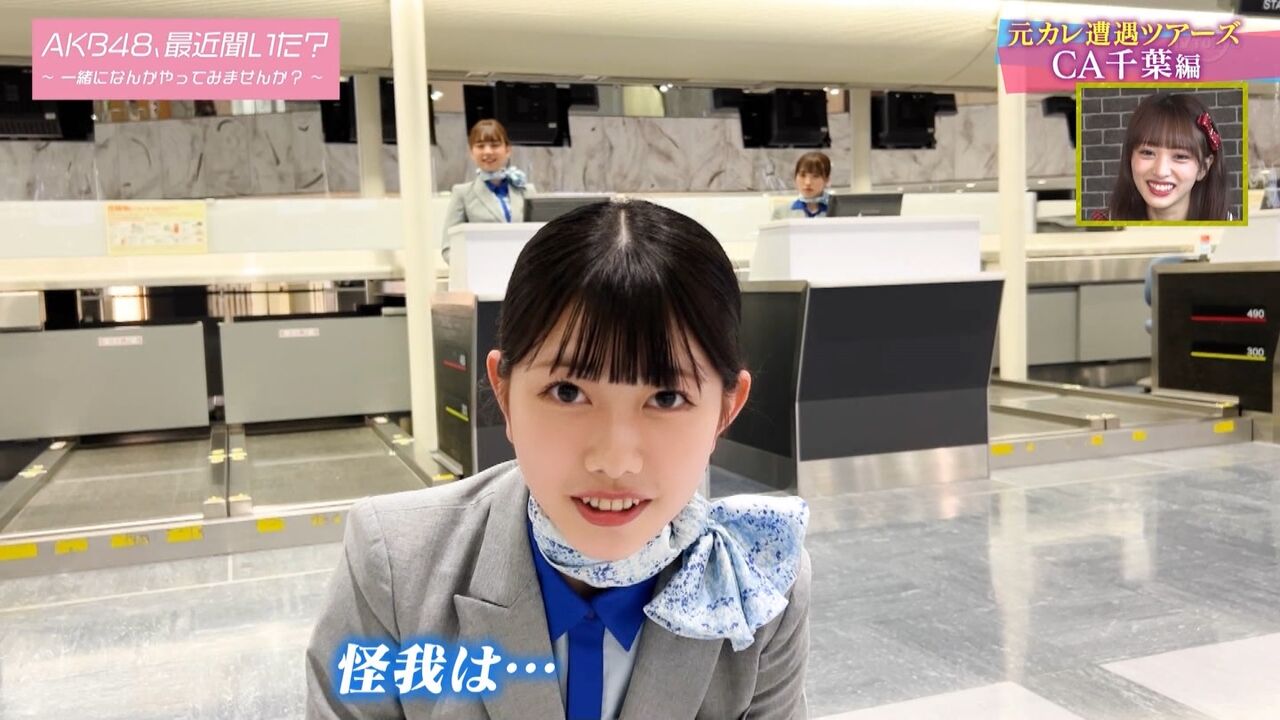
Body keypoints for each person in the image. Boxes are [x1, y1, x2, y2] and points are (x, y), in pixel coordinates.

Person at [306, 199, 812, 720]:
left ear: (725, 410)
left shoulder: (762, 587)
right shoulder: (395, 567)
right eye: (568, 392)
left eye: (666, 398)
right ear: (505, 394)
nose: (614, 461)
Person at [1099, 93, 1229, 222]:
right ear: (1130, 157)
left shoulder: (1230, 230)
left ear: (1203, 168)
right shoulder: (1102, 225)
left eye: (1180, 156)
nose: (1161, 172)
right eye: (1148, 153)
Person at [442, 119, 536, 261]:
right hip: (480, 271)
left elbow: (541, 237)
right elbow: (448, 247)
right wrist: (471, 266)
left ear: (508, 150)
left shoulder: (527, 191)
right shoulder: (462, 193)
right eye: (480, 146)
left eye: (495, 145)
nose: (488, 151)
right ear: (471, 152)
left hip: (523, 270)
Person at [772, 152, 832, 219]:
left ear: (827, 180)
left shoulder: (838, 210)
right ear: (795, 177)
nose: (808, 182)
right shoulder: (781, 213)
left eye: (815, 176)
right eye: (802, 175)